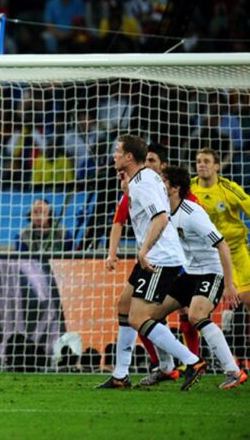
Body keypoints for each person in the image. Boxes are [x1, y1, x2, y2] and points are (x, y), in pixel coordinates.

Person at [98, 135, 206, 391]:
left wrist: (143, 251)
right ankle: (120, 376)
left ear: (128, 157)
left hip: (159, 258)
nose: (114, 155)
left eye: (118, 151)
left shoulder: (143, 183)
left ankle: (193, 361)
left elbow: (160, 218)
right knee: (124, 304)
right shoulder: (141, 179)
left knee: (139, 317)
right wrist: (127, 189)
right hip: (155, 255)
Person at [141, 166, 246, 389]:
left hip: (211, 271)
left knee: (197, 316)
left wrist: (229, 284)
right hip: (189, 272)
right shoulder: (164, 213)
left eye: (164, 182)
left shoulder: (192, 213)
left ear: (175, 188)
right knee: (150, 315)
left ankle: (234, 371)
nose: (160, 185)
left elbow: (223, 245)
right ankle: (167, 367)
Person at [191, 148, 250, 368]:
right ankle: (198, 359)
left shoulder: (228, 188)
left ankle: (242, 358)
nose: (201, 165)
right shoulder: (191, 190)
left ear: (217, 166)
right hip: (206, 256)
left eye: (206, 161)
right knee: (194, 310)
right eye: (198, 161)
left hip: (235, 252)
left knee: (246, 298)